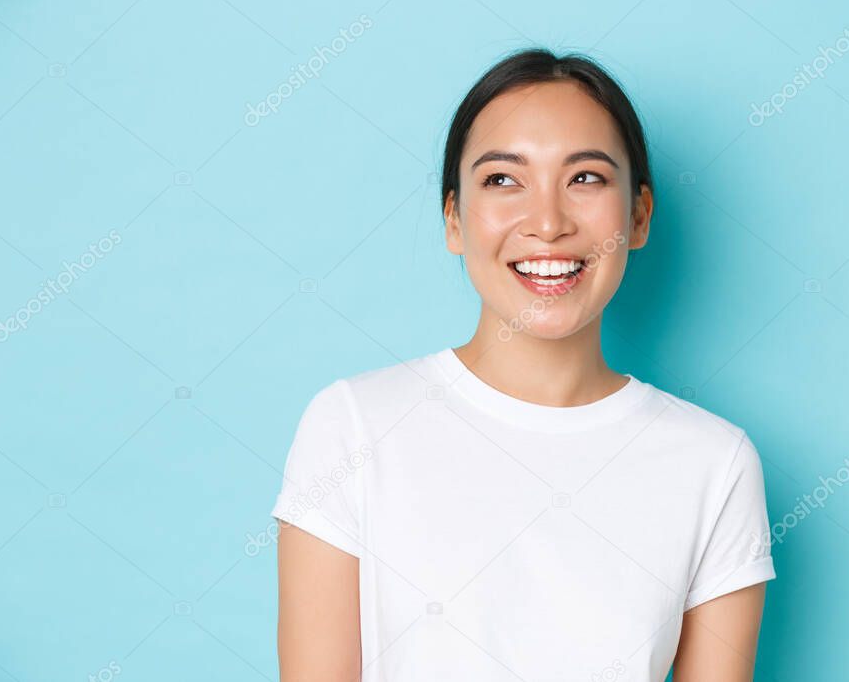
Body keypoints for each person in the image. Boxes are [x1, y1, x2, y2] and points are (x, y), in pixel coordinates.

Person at [271, 47, 776, 682]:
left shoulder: (716, 463)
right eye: (503, 180)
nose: (547, 223)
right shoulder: (353, 426)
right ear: (453, 219)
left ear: (639, 216)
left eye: (585, 178)